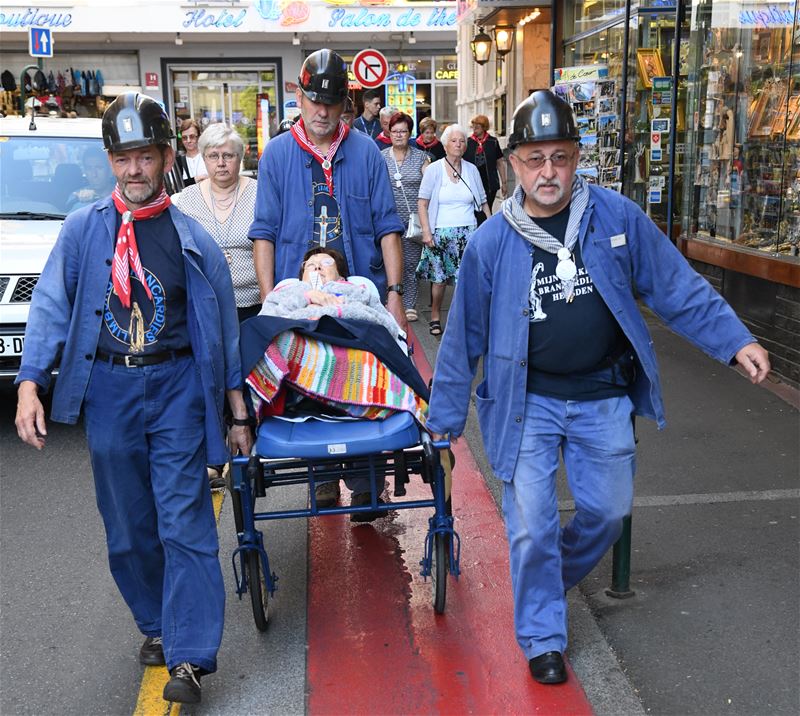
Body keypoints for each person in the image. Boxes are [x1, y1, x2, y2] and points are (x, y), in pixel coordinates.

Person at [425, 90, 771, 685]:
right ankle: (542, 634)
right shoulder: (492, 242)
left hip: (602, 395)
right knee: (530, 522)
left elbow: (672, 284)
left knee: (608, 513)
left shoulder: (614, 217)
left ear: (577, 157)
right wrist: (445, 417)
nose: (548, 172)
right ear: (513, 165)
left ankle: (544, 574)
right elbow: (462, 337)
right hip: (525, 402)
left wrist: (734, 339)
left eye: (559, 157)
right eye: (535, 159)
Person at [14, 93, 253, 705]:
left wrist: (236, 410)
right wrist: (30, 382)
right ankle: (155, 623)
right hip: (111, 390)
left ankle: (192, 654)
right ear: (110, 162)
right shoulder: (82, 230)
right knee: (127, 529)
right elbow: (50, 307)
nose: (135, 171)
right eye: (123, 159)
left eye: (145, 156)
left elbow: (224, 330)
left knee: (186, 522)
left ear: (168, 156)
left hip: (176, 388)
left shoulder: (191, 239)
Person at [248, 49, 405, 508]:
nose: (322, 111)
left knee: (359, 380)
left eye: (332, 102)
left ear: (346, 106)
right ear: (299, 96)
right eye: (314, 100)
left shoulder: (367, 154)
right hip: (301, 297)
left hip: (357, 293)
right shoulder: (277, 155)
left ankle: (362, 477)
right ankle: (320, 474)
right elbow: (264, 233)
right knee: (309, 383)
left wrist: (394, 295)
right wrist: (269, 303)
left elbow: (388, 227)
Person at [171, 123, 260, 488]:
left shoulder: (261, 193)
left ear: (241, 158)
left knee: (252, 379)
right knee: (210, 377)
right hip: (205, 307)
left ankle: (254, 452)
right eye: (213, 155)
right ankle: (213, 452)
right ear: (202, 159)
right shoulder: (183, 202)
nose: (221, 162)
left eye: (229, 155)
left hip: (252, 302)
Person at [417, 123, 489, 336]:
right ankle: (436, 315)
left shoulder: (472, 169)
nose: (458, 145)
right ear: (445, 145)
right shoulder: (434, 169)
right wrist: (427, 232)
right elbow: (422, 203)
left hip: (468, 233)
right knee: (439, 279)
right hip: (440, 233)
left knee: (465, 280)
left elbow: (483, 202)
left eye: (462, 141)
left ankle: (460, 320)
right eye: (454, 141)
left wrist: (493, 227)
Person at [260, 247, 402, 341]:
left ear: (341, 277)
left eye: (327, 263)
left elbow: (390, 329)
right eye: (310, 265)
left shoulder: (359, 292)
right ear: (301, 277)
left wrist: (339, 308)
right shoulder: (283, 293)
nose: (317, 266)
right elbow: (262, 326)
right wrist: (306, 298)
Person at [381, 112, 430, 322]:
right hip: (386, 218)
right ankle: (390, 300)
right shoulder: (381, 156)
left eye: (403, 131)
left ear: (410, 133)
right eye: (395, 131)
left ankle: (409, 303)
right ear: (388, 133)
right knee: (387, 261)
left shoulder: (421, 157)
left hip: (413, 220)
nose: (399, 135)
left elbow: (429, 190)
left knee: (410, 263)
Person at [464, 114, 508, 210]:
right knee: (475, 210)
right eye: (473, 127)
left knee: (487, 208)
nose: (474, 129)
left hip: (490, 183)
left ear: (484, 128)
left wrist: (504, 183)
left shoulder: (493, 142)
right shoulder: (468, 142)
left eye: (477, 127)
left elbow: (500, 162)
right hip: (472, 182)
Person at [66, 145, 116, 211]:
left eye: (99, 168)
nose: (94, 174)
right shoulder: (76, 197)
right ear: (85, 172)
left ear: (110, 171)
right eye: (89, 168)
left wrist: (97, 196)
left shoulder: (121, 195)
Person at [175, 118, 207, 186]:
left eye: (192, 136)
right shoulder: (178, 161)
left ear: (198, 137)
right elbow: (176, 186)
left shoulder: (208, 156)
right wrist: (195, 179)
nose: (188, 140)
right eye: (184, 138)